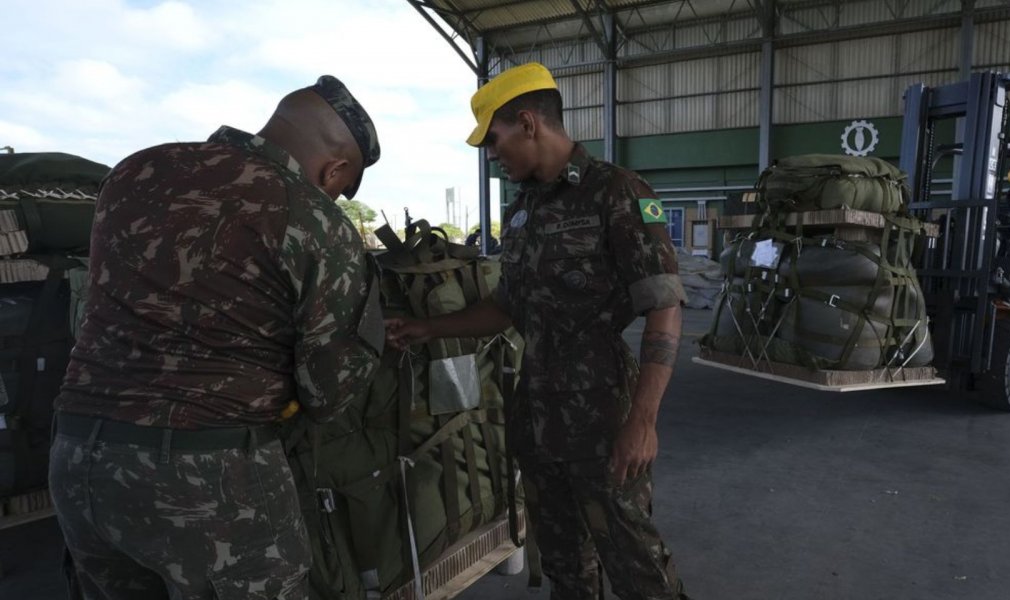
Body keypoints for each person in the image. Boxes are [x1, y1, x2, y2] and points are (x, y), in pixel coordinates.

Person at [49, 75, 385, 599]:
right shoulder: (309, 214)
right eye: (339, 187)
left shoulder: (135, 170)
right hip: (210, 477)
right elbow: (328, 390)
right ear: (335, 169)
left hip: (78, 459)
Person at [389, 62, 689, 600]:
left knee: (636, 562)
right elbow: (507, 306)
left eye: (495, 139)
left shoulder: (616, 193)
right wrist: (427, 327)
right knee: (566, 564)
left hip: (602, 414)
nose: (493, 154)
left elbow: (664, 308)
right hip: (538, 412)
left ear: (528, 123)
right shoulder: (525, 208)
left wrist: (643, 420)